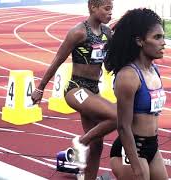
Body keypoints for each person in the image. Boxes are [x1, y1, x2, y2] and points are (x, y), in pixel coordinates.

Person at [31, 0, 116, 179]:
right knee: (118, 115)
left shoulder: (107, 33)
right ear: (93, 8)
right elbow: (58, 59)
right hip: (76, 89)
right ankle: (80, 142)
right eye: (107, 9)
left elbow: (111, 60)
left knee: (98, 144)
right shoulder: (78, 32)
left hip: (93, 90)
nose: (110, 13)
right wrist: (40, 88)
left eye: (112, 9)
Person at [105, 8, 169, 180]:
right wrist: (136, 166)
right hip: (132, 148)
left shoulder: (153, 69)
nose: (163, 42)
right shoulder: (128, 76)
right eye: (157, 37)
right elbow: (123, 126)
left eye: (163, 36)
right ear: (140, 41)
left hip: (152, 146)